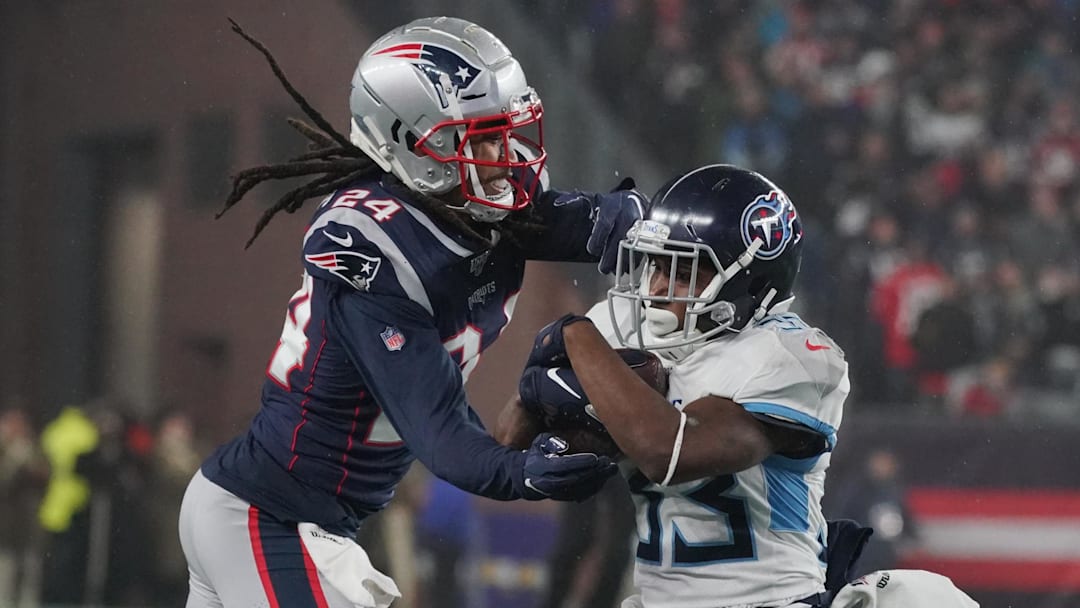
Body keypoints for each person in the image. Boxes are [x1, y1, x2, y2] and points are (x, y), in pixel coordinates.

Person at [179, 16, 644, 608]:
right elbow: (442, 436)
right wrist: (521, 470)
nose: (507, 159)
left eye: (507, 135)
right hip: (264, 517)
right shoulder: (374, 255)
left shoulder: (471, 208)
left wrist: (652, 221)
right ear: (414, 145)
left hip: (301, 523)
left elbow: (593, 222)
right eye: (481, 140)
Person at [503, 164, 849, 608]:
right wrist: (531, 397)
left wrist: (575, 336)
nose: (661, 286)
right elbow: (507, 454)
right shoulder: (622, 326)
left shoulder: (789, 355)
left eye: (685, 272)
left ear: (751, 281)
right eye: (656, 265)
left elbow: (669, 453)